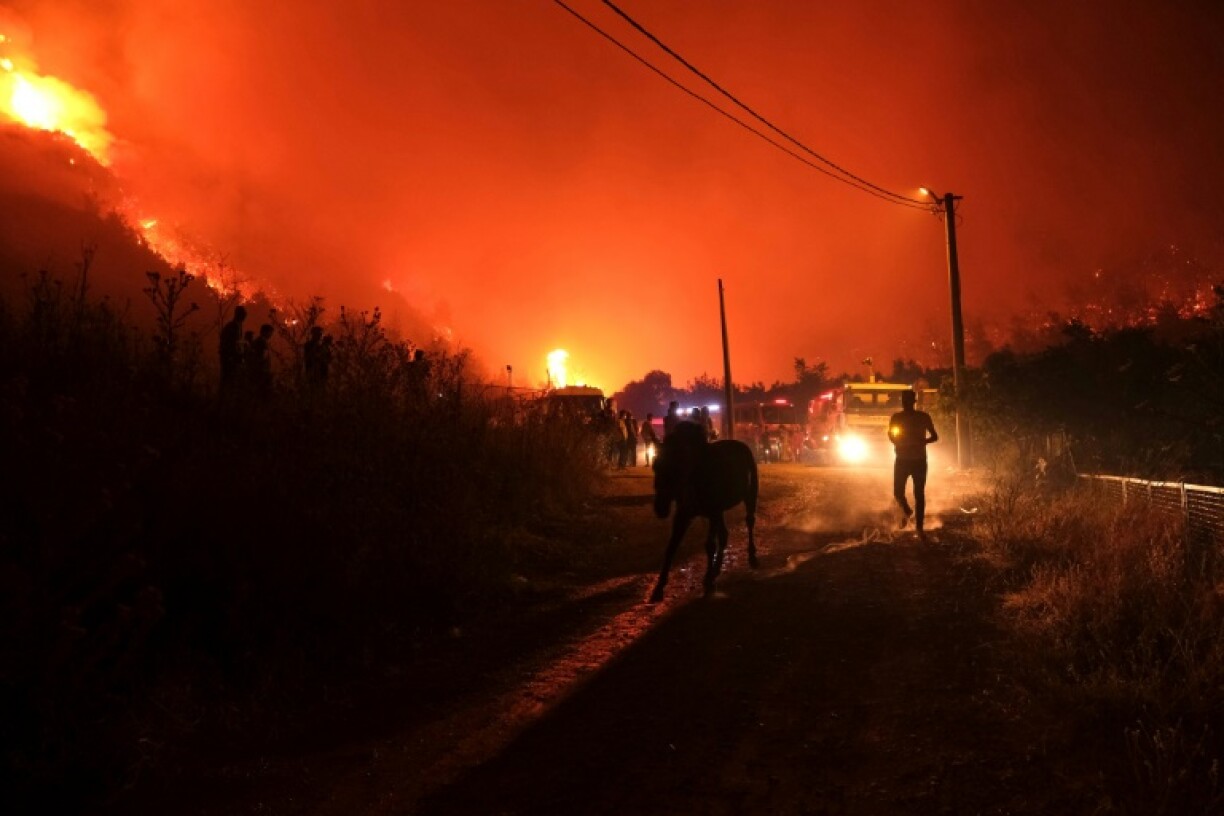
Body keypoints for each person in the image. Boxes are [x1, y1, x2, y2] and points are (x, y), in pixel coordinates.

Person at [887, 389, 939, 539]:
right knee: (899, 493)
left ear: (912, 402)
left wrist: (922, 442)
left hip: (916, 460)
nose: (906, 404)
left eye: (908, 401)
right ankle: (908, 513)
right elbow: (890, 434)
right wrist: (896, 441)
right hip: (905, 459)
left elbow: (935, 436)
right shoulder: (898, 417)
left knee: (918, 494)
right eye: (905, 402)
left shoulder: (922, 417)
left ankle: (919, 527)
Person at [219, 305, 247, 388]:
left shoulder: (236, 326)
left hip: (231, 358)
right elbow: (232, 344)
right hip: (230, 359)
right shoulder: (233, 327)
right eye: (243, 314)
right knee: (229, 382)